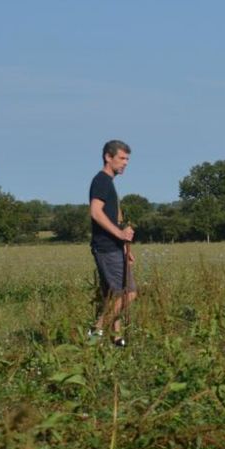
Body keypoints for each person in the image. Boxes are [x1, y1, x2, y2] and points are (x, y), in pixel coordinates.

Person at [88, 140, 137, 347]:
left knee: (113, 296)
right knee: (130, 293)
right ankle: (95, 333)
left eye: (127, 159)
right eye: (122, 158)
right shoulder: (101, 181)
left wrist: (125, 246)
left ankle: (116, 340)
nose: (125, 163)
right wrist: (119, 233)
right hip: (106, 248)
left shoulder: (109, 183)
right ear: (108, 157)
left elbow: (115, 218)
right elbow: (96, 212)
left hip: (114, 247)